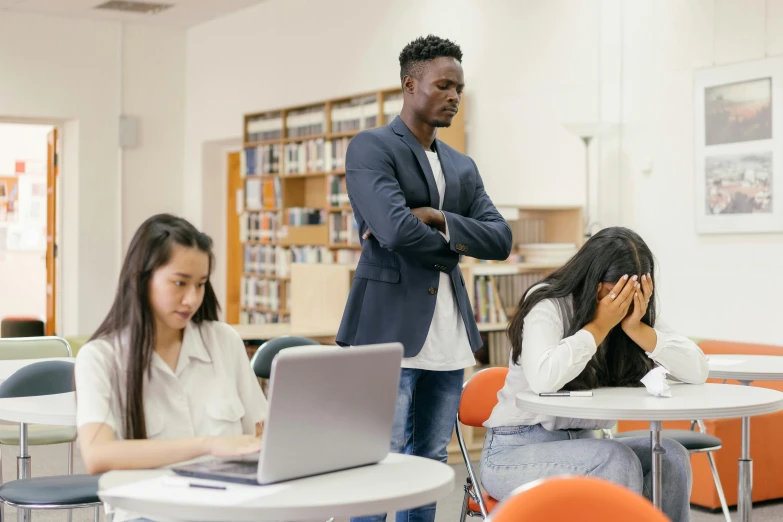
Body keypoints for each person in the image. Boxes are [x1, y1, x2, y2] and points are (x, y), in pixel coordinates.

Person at [336, 35, 512, 522]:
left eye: (459, 87)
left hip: (448, 336)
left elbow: (500, 240)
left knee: (430, 462)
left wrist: (436, 218)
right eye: (443, 85)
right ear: (410, 85)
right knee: (376, 464)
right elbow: (393, 228)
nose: (454, 95)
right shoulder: (371, 147)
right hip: (385, 332)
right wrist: (456, 243)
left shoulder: (462, 165)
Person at [481, 226, 709, 522]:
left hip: (587, 444)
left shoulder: (630, 313)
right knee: (616, 460)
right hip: (515, 451)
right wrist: (598, 327)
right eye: (615, 291)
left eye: (632, 294)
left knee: (670, 455)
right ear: (593, 281)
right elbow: (543, 378)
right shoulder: (548, 304)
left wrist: (638, 330)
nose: (622, 301)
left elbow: (698, 370)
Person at [75, 214, 266, 522]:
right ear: (142, 278)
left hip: (230, 510)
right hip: (149, 513)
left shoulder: (223, 341)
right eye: (179, 283)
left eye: (200, 284)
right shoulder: (100, 357)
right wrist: (208, 445)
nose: (191, 299)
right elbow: (97, 455)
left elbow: (259, 432)